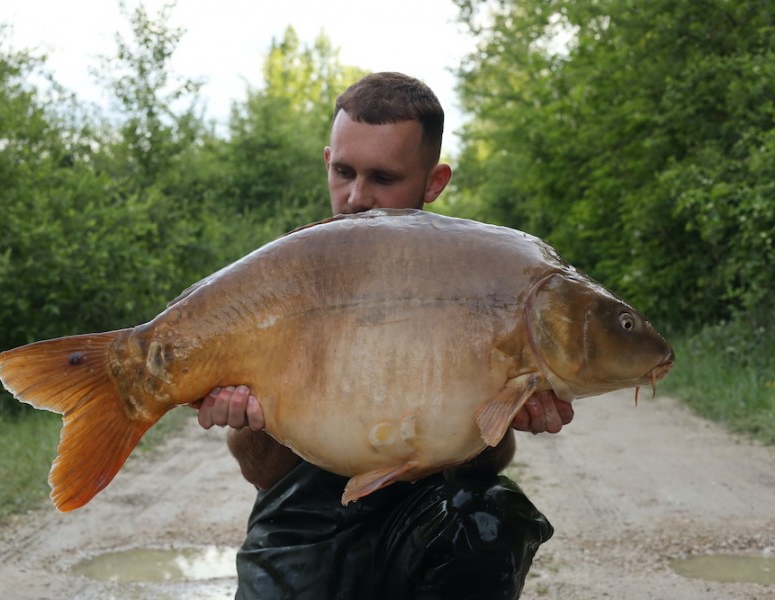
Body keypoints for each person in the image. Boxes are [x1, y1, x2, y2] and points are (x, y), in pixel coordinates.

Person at [193, 72, 574, 599]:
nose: (355, 197)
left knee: (490, 515)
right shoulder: (284, 279)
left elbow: (488, 461)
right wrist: (248, 418)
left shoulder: (472, 279)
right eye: (343, 172)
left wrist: (509, 412)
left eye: (383, 177)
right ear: (327, 161)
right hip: (302, 527)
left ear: (434, 181)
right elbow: (261, 473)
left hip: (423, 518)